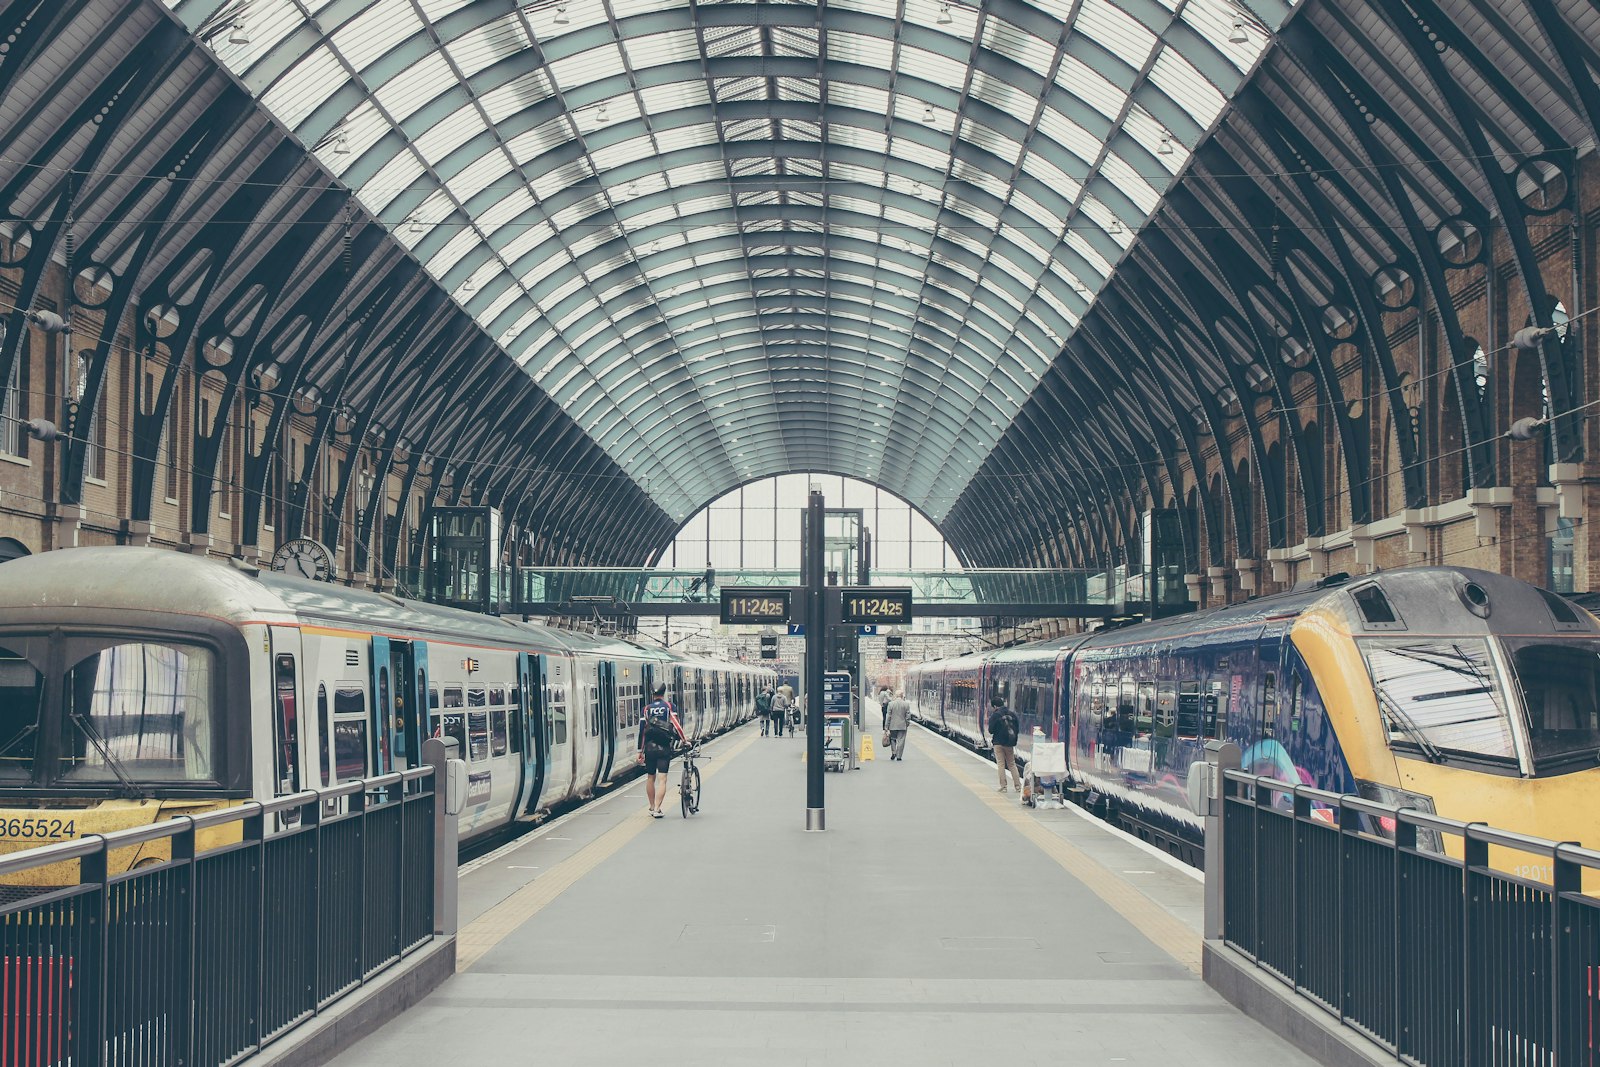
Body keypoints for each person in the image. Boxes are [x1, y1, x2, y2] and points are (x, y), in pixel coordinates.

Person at [636, 683, 685, 818]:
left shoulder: (646, 709)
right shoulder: (669, 706)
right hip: (664, 747)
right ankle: (658, 809)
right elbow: (676, 725)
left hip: (650, 749)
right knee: (662, 779)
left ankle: (651, 807)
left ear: (652, 693)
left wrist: (639, 751)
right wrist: (684, 740)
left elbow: (642, 731)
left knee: (650, 777)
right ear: (664, 693)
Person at [988, 694, 1021, 792]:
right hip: (1009, 743)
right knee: (1012, 764)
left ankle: (1003, 787)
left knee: (1001, 764)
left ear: (994, 706)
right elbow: (1017, 729)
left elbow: (991, 730)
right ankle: (1018, 786)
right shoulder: (1012, 714)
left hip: (998, 743)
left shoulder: (995, 715)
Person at [884, 689, 911, 761]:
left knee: (892, 739)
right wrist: (907, 724)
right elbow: (908, 716)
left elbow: (888, 716)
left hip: (892, 726)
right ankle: (899, 756)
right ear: (902, 696)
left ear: (895, 696)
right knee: (901, 740)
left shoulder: (891, 704)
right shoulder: (906, 704)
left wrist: (886, 727)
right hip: (902, 726)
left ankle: (894, 752)